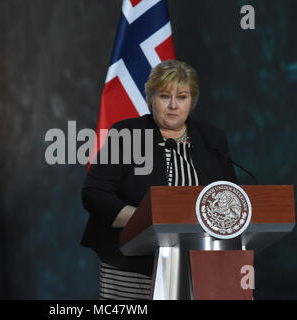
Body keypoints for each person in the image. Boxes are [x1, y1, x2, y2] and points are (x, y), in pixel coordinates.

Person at [81, 59, 238, 300]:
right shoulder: (127, 134)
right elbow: (94, 193)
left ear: (192, 101)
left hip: (200, 264)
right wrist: (145, 221)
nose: (174, 105)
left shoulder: (212, 140)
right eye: (165, 96)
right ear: (151, 99)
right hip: (131, 263)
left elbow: (230, 196)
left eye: (182, 97)